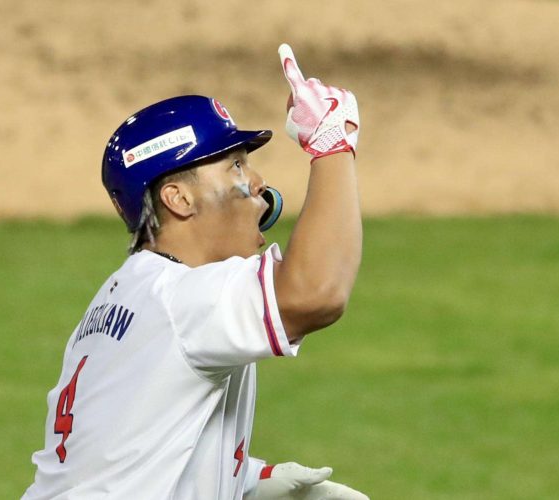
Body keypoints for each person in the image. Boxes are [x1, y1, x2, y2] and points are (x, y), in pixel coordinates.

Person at [22, 43, 368, 499]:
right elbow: (316, 292)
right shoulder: (180, 301)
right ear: (178, 199)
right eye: (237, 166)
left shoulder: (126, 296)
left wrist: (249, 481)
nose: (260, 184)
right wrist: (331, 145)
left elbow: (125, 454)